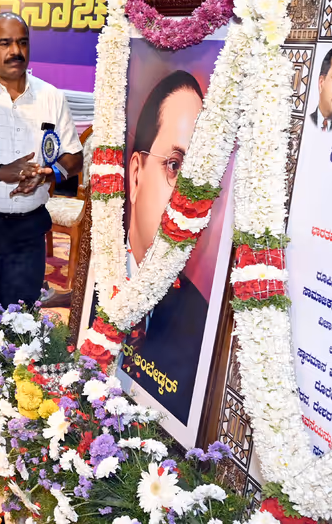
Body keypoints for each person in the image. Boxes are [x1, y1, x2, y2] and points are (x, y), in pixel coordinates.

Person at [0, 12, 84, 331]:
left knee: (21, 327)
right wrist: (2, 172)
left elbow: (74, 156)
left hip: (30, 231)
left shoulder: (51, 96)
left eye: (22, 42)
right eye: (5, 43)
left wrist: (49, 174)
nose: (15, 51)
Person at [122, 70, 210, 423]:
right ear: (136, 175)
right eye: (175, 166)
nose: (187, 202)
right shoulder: (96, 272)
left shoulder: (201, 321)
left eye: (199, 179)